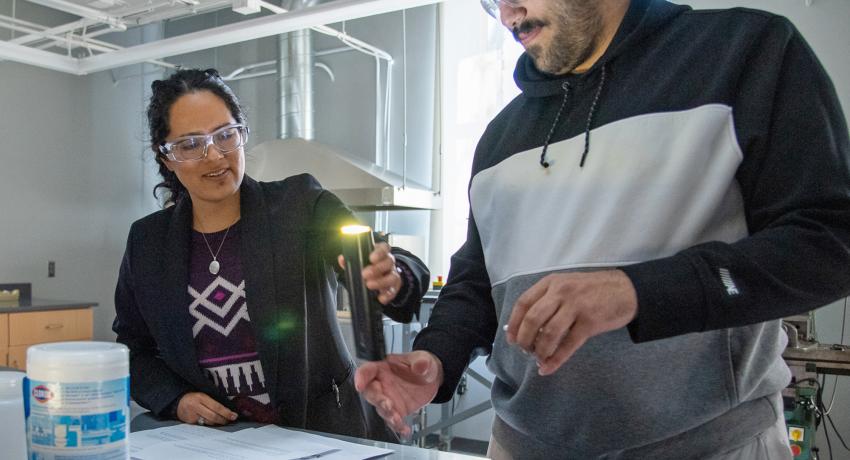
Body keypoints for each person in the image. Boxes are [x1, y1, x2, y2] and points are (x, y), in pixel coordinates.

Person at [355, 0, 850, 458]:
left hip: (710, 446)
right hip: (522, 447)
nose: (507, 13)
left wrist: (637, 291)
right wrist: (436, 359)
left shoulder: (742, 54)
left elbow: (829, 241)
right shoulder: (500, 138)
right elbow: (476, 284)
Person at [113, 68, 429, 441]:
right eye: (190, 144)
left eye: (225, 135)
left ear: (241, 134)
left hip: (321, 435)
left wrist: (393, 275)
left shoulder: (300, 205)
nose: (213, 155)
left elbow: (383, 257)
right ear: (166, 158)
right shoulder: (148, 241)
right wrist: (175, 399)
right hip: (216, 444)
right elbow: (133, 351)